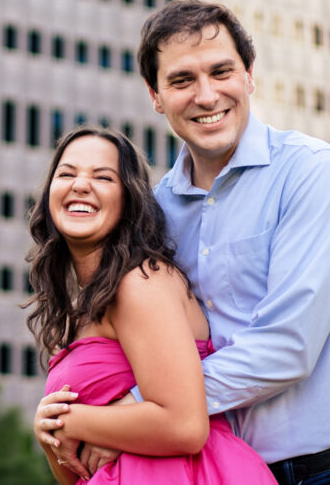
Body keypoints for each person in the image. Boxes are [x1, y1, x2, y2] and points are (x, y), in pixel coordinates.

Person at [43, 0, 330, 484]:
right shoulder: (154, 211)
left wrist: (133, 413)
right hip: (216, 470)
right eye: (182, 80)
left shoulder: (309, 171)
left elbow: (289, 343)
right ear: (155, 96)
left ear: (250, 75)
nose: (206, 96)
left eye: (221, 72)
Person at [26, 126, 276, 485]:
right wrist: (49, 435)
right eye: (67, 173)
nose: (80, 185)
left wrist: (72, 420)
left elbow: (185, 426)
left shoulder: (139, 282)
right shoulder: (79, 311)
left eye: (103, 177)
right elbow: (81, 472)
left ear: (129, 200)